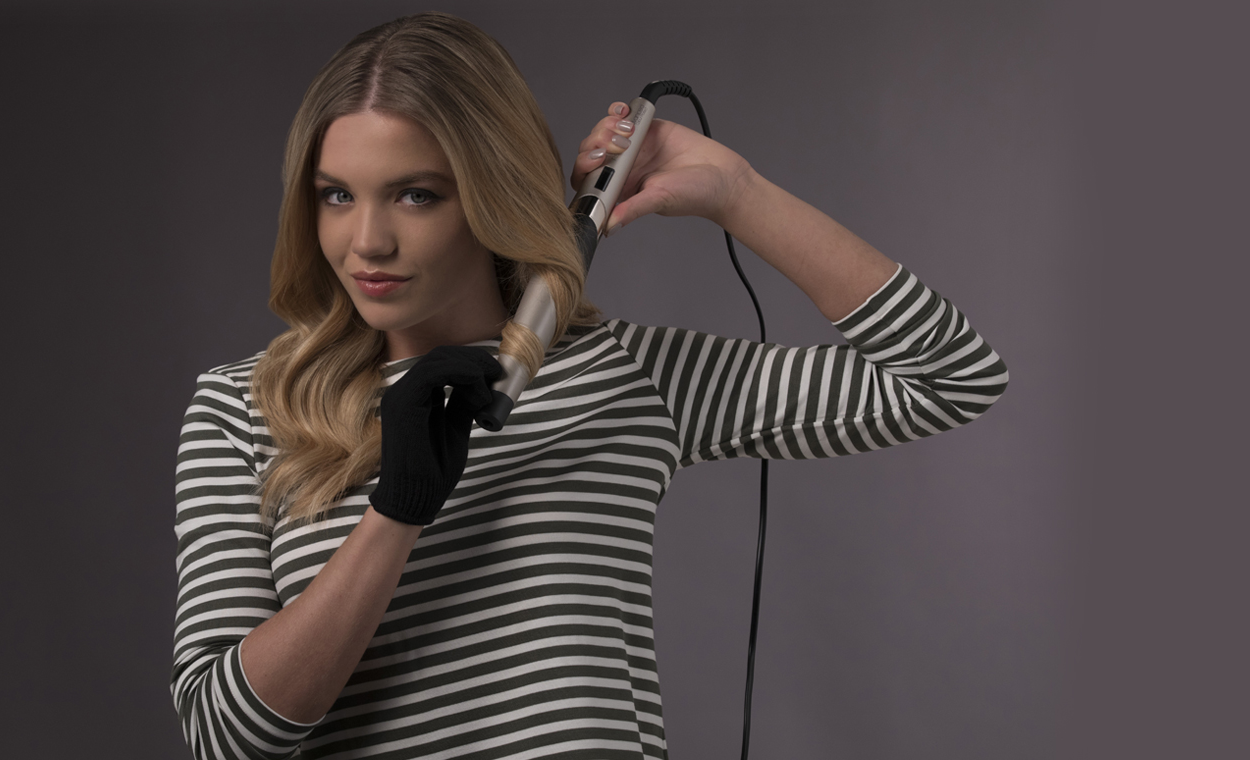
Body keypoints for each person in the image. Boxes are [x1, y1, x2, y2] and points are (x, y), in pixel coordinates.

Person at [172, 11, 1007, 760]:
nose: (367, 241)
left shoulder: (625, 373)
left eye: (416, 195)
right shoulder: (244, 409)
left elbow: (950, 377)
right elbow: (225, 736)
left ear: (495, 191)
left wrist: (738, 195)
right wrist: (398, 510)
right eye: (336, 196)